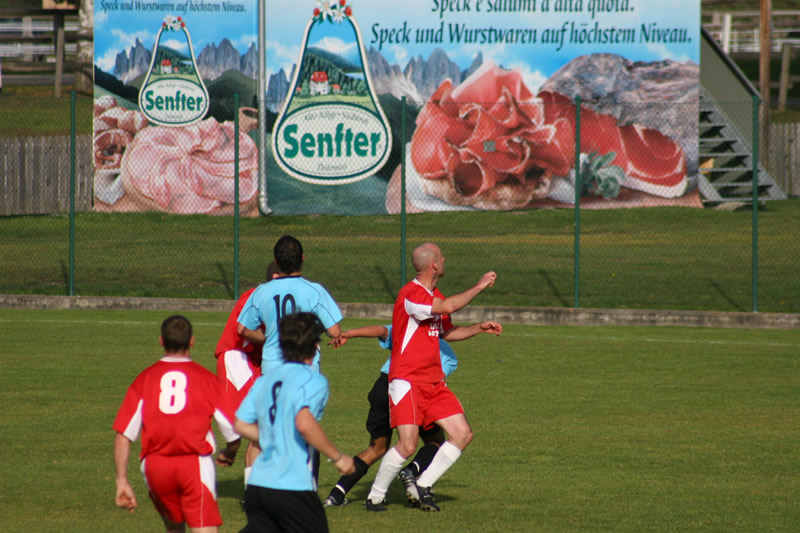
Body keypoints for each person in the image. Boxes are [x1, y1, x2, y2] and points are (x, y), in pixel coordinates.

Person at [365, 242, 499, 512]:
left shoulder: (432, 294)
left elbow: (446, 332)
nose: (445, 259)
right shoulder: (411, 295)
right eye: (442, 257)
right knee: (408, 445)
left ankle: (423, 484)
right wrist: (480, 285)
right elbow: (448, 306)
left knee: (462, 434)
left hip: (434, 382)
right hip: (407, 382)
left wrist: (477, 328)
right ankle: (375, 496)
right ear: (434, 264)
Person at [323, 318, 501, 509]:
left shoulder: (408, 330)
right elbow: (436, 384)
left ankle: (336, 495)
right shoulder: (449, 356)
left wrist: (350, 333)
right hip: (411, 393)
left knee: (377, 448)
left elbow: (381, 330)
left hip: (382, 388)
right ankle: (411, 474)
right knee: (434, 442)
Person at [113, 315, 240, 533]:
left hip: (155, 466)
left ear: (161, 341)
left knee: (173, 528)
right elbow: (233, 430)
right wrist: (229, 452)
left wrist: (122, 480)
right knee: (205, 529)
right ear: (192, 341)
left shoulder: (145, 378)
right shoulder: (206, 379)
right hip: (194, 464)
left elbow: (123, 435)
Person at [234, 312, 356, 533]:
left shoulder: (265, 379)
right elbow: (304, 423)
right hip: (291, 485)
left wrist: (273, 436)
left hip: (258, 485)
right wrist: (338, 457)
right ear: (315, 344)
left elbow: (241, 424)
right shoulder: (313, 380)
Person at [214, 260, 280, 486]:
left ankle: (255, 487)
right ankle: (255, 490)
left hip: (252, 361)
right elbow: (245, 331)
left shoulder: (271, 297)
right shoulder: (257, 295)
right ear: (275, 278)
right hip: (237, 358)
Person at [237, 235, 342, 373]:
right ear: (302, 258)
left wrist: (271, 337)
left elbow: (243, 329)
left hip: (272, 370)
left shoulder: (261, 292)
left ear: (276, 262)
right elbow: (334, 332)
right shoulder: (315, 291)